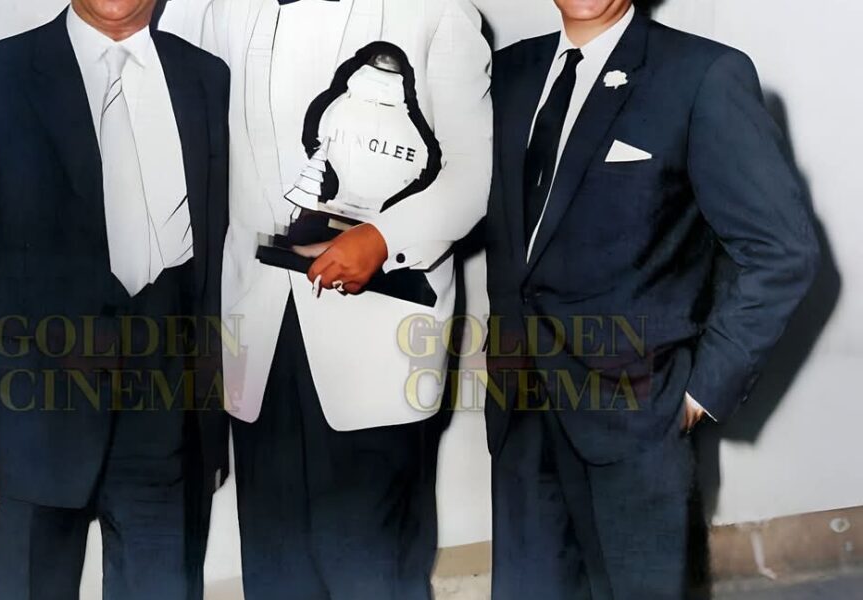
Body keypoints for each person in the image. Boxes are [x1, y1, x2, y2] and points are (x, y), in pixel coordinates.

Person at [484, 1, 819, 598]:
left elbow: (782, 250)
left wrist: (700, 390)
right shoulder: (506, 73)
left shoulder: (702, 74)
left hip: (636, 416)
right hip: (520, 406)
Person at [160, 0, 491, 597]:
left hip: (379, 338)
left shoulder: (439, 13)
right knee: (276, 567)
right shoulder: (221, 11)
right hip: (257, 333)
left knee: (371, 570)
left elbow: (474, 173)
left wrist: (384, 239)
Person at [0, 1, 230, 598]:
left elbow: (213, 259)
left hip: (167, 422)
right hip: (27, 428)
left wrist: (209, 421)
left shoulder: (206, 78)